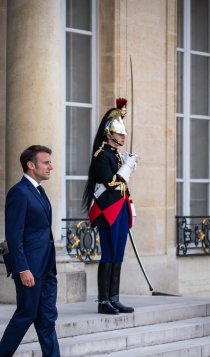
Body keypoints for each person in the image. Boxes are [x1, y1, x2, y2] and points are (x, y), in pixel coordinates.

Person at [0, 145, 79, 357]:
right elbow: (13, 235)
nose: (51, 166)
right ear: (31, 165)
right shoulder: (19, 192)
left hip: (47, 266)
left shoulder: (38, 191)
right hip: (30, 268)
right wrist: (22, 269)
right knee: (27, 314)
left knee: (47, 318)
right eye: (46, 162)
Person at [81, 98, 137, 315]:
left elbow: (123, 187)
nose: (123, 136)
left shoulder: (116, 154)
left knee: (119, 254)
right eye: (120, 133)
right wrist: (127, 168)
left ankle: (114, 297)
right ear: (109, 134)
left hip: (120, 208)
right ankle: (103, 301)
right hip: (107, 210)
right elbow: (110, 182)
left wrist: (129, 203)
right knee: (109, 253)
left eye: (124, 134)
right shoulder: (101, 155)